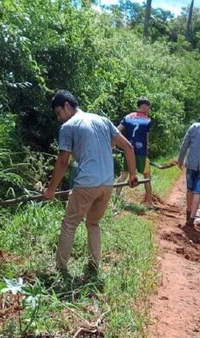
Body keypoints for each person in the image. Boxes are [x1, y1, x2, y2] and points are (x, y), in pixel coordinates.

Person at [43, 90, 138, 276]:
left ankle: (60, 269)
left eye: (58, 113)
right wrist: (133, 175)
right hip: (107, 184)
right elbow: (127, 146)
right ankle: (94, 266)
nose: (58, 118)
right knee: (93, 224)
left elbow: (63, 161)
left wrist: (51, 189)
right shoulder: (102, 120)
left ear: (67, 106)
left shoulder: (68, 127)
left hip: (87, 183)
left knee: (69, 224)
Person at [115, 96, 153, 208]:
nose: (148, 110)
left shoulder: (127, 117)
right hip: (141, 152)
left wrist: (120, 143)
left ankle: (115, 199)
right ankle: (149, 202)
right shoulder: (147, 120)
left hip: (128, 150)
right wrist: (146, 154)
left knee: (124, 174)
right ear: (144, 106)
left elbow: (117, 130)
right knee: (146, 176)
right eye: (148, 107)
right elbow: (147, 139)